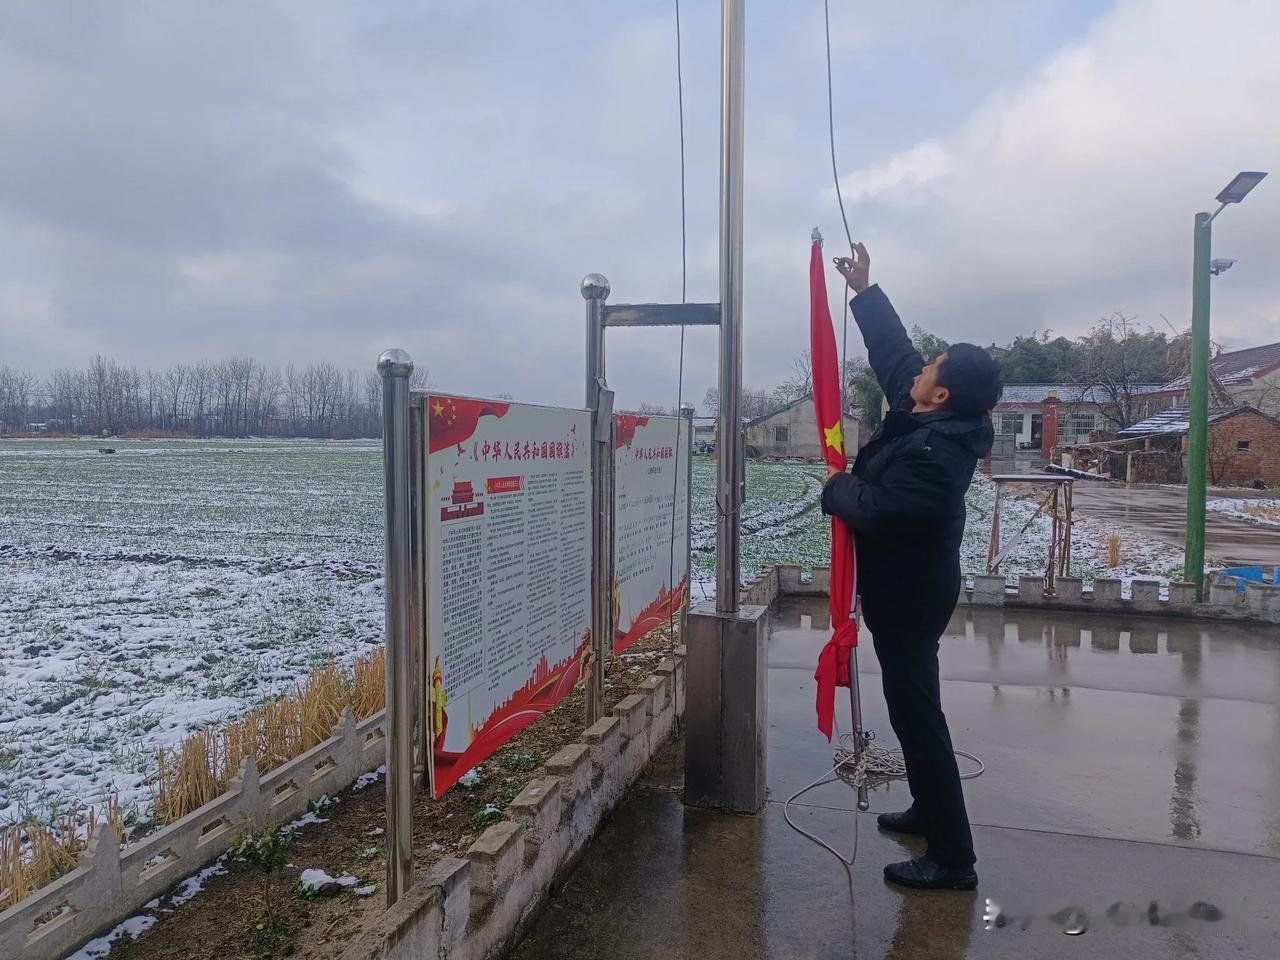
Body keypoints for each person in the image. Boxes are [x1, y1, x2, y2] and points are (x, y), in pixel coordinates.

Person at [823, 242, 1002, 891]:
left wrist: (836, 487)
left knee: (918, 719)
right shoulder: (932, 414)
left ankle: (954, 860)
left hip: (911, 598)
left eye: (932, 368)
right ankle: (930, 811)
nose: (918, 369)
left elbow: (884, 509)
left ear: (941, 393)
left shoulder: (937, 452)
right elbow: (895, 353)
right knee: (914, 713)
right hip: (907, 588)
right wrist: (865, 291)